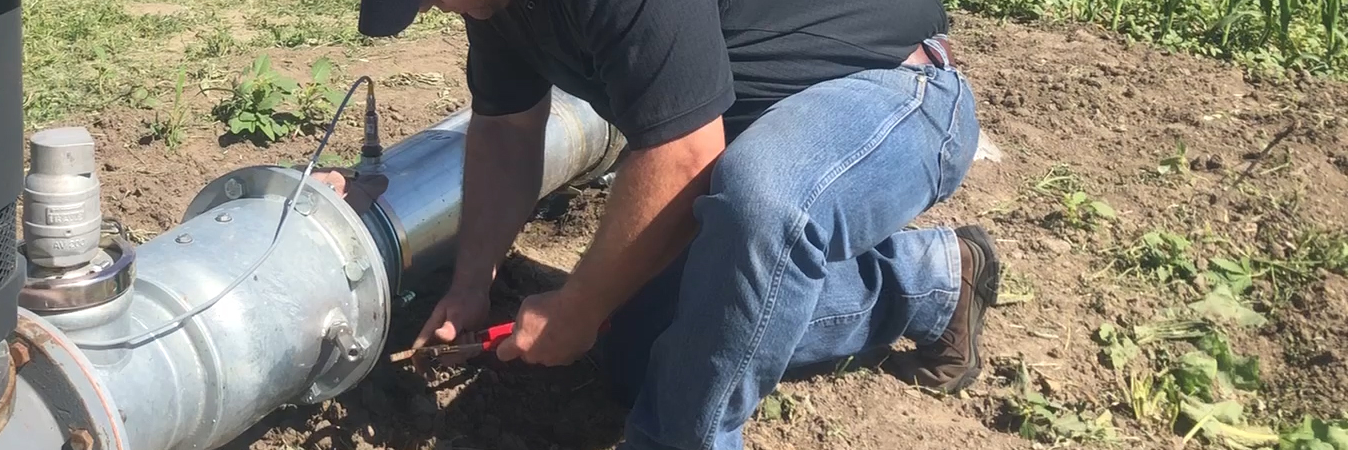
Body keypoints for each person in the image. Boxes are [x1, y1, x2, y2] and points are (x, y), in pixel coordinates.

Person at [333, 0, 1005, 448]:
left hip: (895, 95)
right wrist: (471, 279)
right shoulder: (498, 9)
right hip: (738, 143)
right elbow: (508, 133)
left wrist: (578, 303)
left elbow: (684, 155)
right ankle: (932, 286)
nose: (442, 8)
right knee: (648, 356)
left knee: (761, 198)